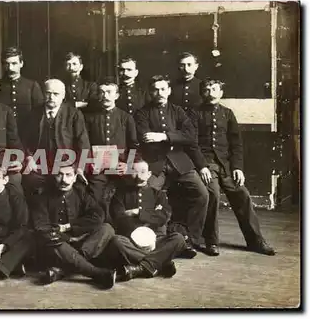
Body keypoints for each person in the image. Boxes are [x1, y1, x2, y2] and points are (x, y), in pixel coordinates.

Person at [194, 78, 276, 256]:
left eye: (214, 89)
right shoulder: (194, 113)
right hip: (207, 165)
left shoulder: (228, 113)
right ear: (202, 93)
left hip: (227, 166)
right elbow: (191, 144)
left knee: (243, 195)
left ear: (221, 93)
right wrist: (201, 166)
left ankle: (256, 241)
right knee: (213, 195)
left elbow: (236, 144)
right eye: (207, 90)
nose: (211, 93)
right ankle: (211, 241)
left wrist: (237, 167)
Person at [133, 75, 209, 255]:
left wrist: (163, 136)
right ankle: (152, 241)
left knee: (202, 194)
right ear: (150, 92)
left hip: (179, 163)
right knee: (146, 196)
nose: (159, 93)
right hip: (155, 164)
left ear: (169, 91)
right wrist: (175, 136)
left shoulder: (178, 111)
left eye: (162, 89)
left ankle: (190, 239)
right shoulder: (142, 113)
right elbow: (145, 137)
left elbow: (190, 136)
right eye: (155, 90)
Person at [31, 164, 117, 289]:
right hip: (57, 245)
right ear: (53, 176)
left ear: (75, 177)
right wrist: (67, 238)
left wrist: (70, 227)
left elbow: (97, 216)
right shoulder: (42, 197)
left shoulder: (81, 193)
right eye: (59, 175)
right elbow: (41, 226)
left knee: (106, 228)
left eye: (68, 175)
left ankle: (63, 269)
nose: (64, 180)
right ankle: (97, 273)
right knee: (50, 238)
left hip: (81, 242)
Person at [108, 159, 191, 281]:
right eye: (134, 171)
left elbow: (163, 217)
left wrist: (138, 213)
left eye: (142, 171)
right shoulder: (120, 194)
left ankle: (141, 267)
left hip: (156, 240)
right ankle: (160, 263)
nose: (138, 175)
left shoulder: (159, 195)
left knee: (178, 239)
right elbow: (119, 217)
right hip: (131, 241)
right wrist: (152, 215)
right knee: (116, 241)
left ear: (149, 174)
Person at [22, 79, 90, 195]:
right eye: (48, 93)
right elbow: (25, 140)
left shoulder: (73, 114)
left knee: (76, 188)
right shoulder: (34, 113)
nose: (51, 97)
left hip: (66, 164)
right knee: (30, 185)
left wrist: (79, 167)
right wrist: (29, 157)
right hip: (39, 164)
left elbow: (83, 143)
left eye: (56, 94)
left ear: (63, 96)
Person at [84, 77, 139, 219]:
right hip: (98, 167)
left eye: (109, 92)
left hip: (121, 166)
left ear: (116, 95)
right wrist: (90, 162)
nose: (105, 96)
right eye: (102, 92)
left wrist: (127, 164)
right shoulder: (89, 118)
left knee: (128, 194)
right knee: (95, 194)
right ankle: (101, 226)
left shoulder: (126, 118)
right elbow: (85, 144)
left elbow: (133, 145)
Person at [0, 46, 44, 143]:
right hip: (3, 136)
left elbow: (40, 113)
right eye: (7, 64)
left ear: (21, 64)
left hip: (27, 135)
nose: (10, 68)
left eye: (14, 63)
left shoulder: (32, 86)